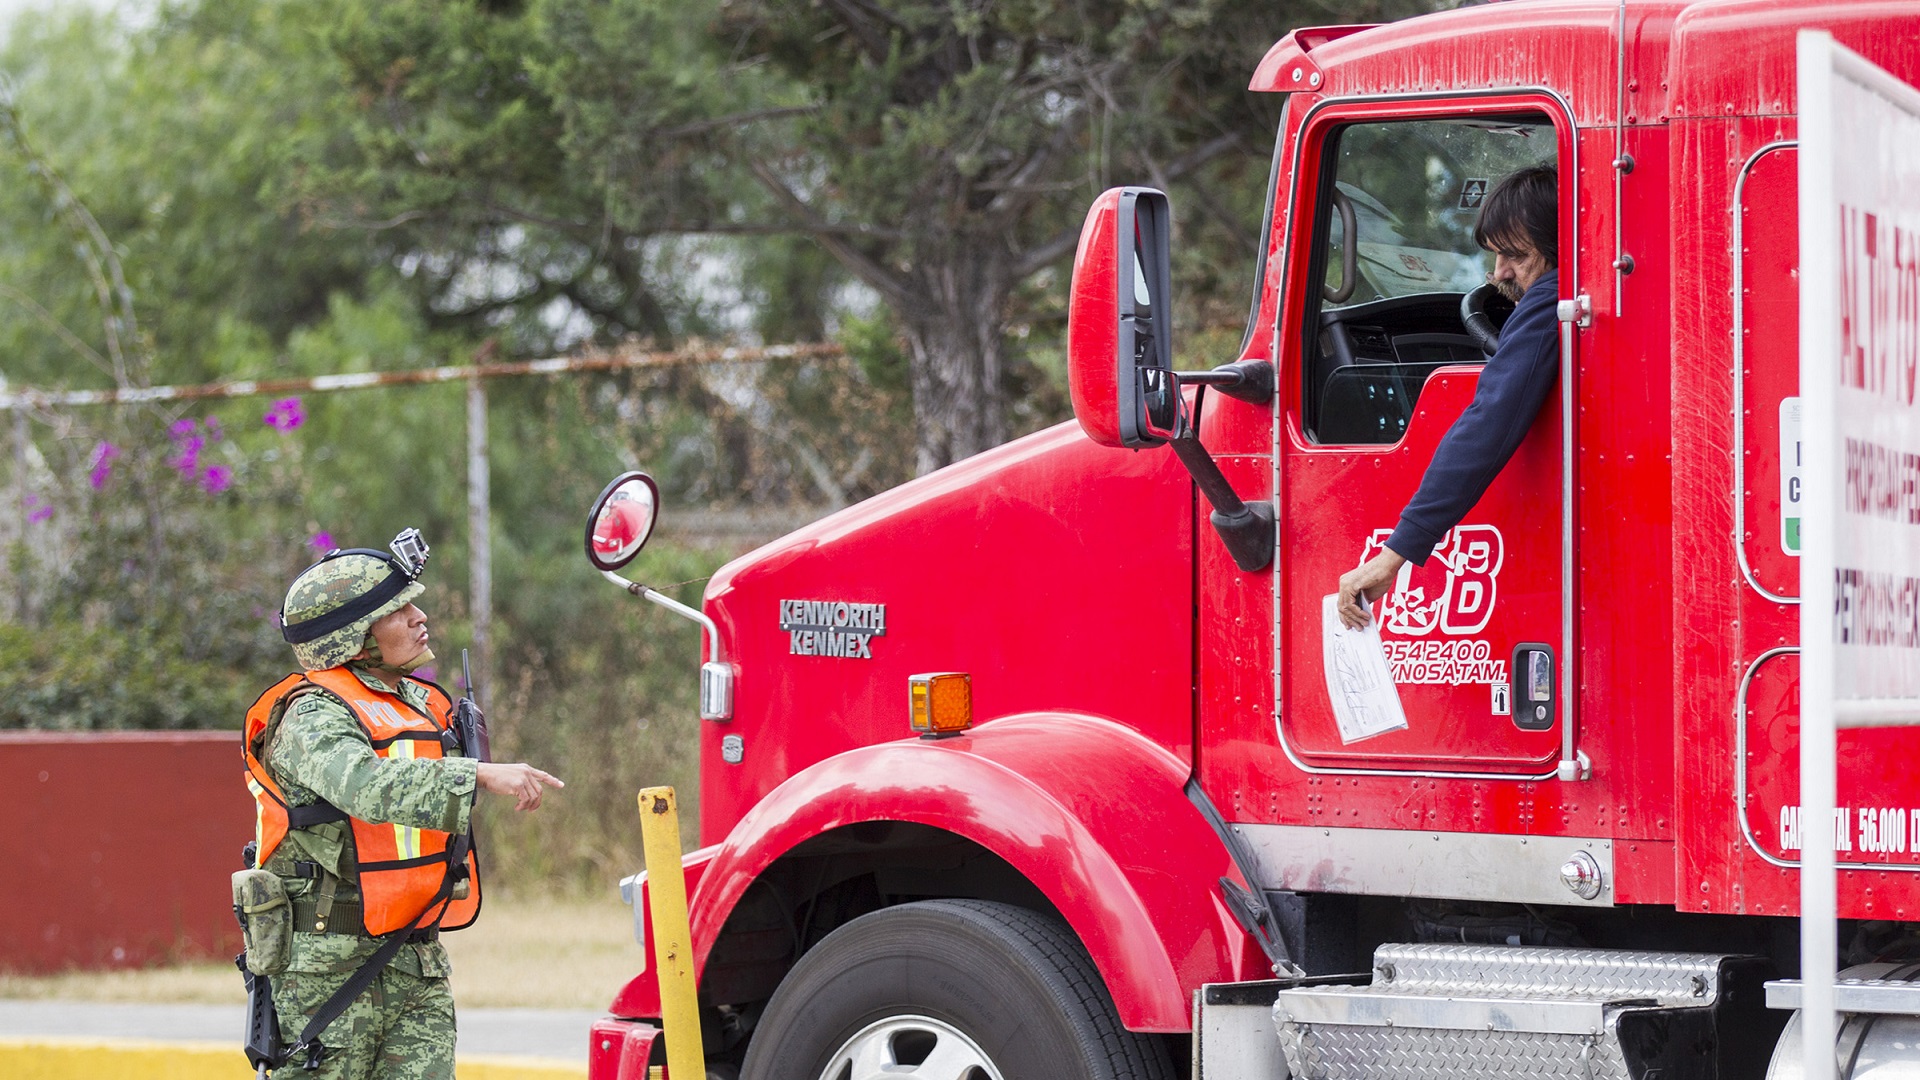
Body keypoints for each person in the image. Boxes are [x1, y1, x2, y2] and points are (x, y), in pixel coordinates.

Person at [243, 530, 563, 1079]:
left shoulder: (420, 702)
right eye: (398, 610)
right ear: (352, 635)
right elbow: (363, 785)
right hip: (327, 967)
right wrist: (479, 774)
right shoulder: (309, 713)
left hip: (415, 958)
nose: (419, 617)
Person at [1336, 164, 1561, 630]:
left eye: (1516, 254)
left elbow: (1489, 419)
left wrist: (1395, 554)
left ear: (1559, 246)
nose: (1500, 273)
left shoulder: (1550, 301)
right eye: (1496, 255)